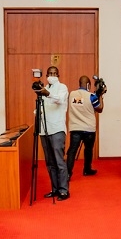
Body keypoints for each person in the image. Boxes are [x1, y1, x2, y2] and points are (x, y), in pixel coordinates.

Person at [36, 66, 70, 199]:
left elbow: (59, 100)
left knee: (59, 161)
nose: (52, 75)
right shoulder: (44, 88)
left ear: (58, 75)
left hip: (57, 129)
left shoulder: (62, 87)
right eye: (50, 73)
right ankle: (55, 188)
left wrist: (47, 94)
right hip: (44, 129)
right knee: (50, 162)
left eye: (55, 73)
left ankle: (64, 190)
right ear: (46, 75)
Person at [66, 75, 103, 178]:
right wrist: (101, 96)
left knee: (72, 151)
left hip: (75, 128)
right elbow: (99, 109)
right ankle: (87, 169)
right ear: (88, 85)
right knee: (88, 150)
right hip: (89, 129)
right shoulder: (92, 96)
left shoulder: (71, 94)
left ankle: (68, 174)